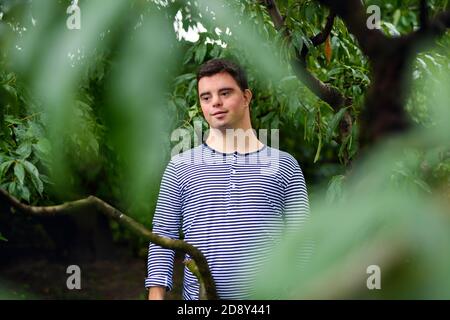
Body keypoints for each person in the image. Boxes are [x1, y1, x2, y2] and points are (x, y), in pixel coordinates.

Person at [146, 58, 310, 300]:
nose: (216, 103)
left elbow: (303, 243)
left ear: (246, 97)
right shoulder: (180, 167)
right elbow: (162, 238)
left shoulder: (284, 165)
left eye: (225, 93)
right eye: (206, 97)